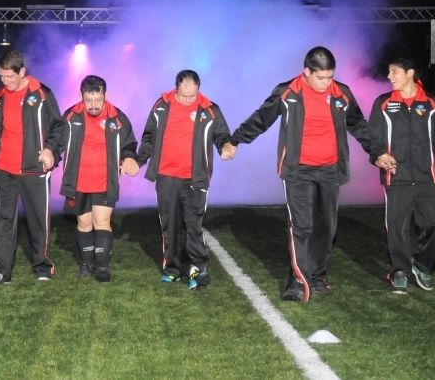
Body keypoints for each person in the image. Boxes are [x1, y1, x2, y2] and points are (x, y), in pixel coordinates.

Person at [224, 46, 394, 301]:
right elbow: (261, 118)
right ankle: (298, 280)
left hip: (330, 170)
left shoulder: (341, 94)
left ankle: (317, 275)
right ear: (306, 72)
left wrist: (378, 151)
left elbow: (358, 124)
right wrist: (235, 140)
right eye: (321, 78)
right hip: (297, 171)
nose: (327, 83)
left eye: (330, 77)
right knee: (302, 225)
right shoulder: (288, 92)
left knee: (327, 226)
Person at [135, 70, 232, 290]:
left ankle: (197, 270)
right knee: (170, 224)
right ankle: (173, 269)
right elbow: (148, 136)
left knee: (193, 224)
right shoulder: (161, 105)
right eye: (184, 95)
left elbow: (221, 135)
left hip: (195, 178)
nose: (189, 100)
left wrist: (225, 146)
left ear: (198, 89)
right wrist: (138, 160)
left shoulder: (209, 109)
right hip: (166, 176)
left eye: (193, 95)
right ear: (176, 89)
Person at [368, 57, 435, 294]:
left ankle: (423, 265)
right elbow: (373, 139)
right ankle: (400, 271)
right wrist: (377, 157)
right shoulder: (383, 103)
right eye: (388, 71)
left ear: (410, 73)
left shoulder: (432, 104)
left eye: (394, 71)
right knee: (397, 227)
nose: (389, 77)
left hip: (429, 178)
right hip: (396, 178)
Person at [0, 49, 63, 284]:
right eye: (2, 76)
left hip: (34, 169)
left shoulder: (41, 94)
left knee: (38, 221)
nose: (5, 81)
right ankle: (0, 271)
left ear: (22, 71)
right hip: (6, 169)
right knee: (4, 219)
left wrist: (50, 150)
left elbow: (59, 127)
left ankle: (42, 267)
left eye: (10, 76)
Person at [60, 75, 139, 282]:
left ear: (106, 95)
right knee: (84, 223)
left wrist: (129, 158)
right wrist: (48, 154)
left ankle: (102, 266)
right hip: (78, 181)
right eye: (89, 100)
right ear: (81, 96)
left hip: (105, 180)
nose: (93, 105)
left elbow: (129, 143)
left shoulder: (117, 118)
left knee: (101, 220)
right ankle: (87, 263)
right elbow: (56, 141)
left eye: (98, 100)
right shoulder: (70, 116)